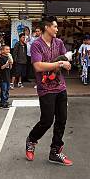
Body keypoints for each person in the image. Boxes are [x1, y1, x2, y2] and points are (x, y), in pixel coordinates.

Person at [25, 16, 73, 166]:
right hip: (45, 88)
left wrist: (66, 62)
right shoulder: (36, 45)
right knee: (46, 120)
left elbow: (66, 61)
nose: (57, 29)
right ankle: (32, 140)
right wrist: (59, 63)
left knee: (62, 119)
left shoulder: (58, 43)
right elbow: (38, 66)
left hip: (61, 87)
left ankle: (55, 151)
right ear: (47, 27)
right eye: (55, 26)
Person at [0, 45, 12, 109]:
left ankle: (6, 101)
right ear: (2, 50)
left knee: (7, 90)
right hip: (3, 77)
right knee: (3, 90)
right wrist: (7, 63)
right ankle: (2, 103)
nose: (8, 51)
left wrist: (10, 63)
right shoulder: (1, 58)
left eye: (9, 49)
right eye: (6, 49)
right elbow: (1, 67)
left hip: (8, 76)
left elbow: (10, 67)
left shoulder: (8, 57)